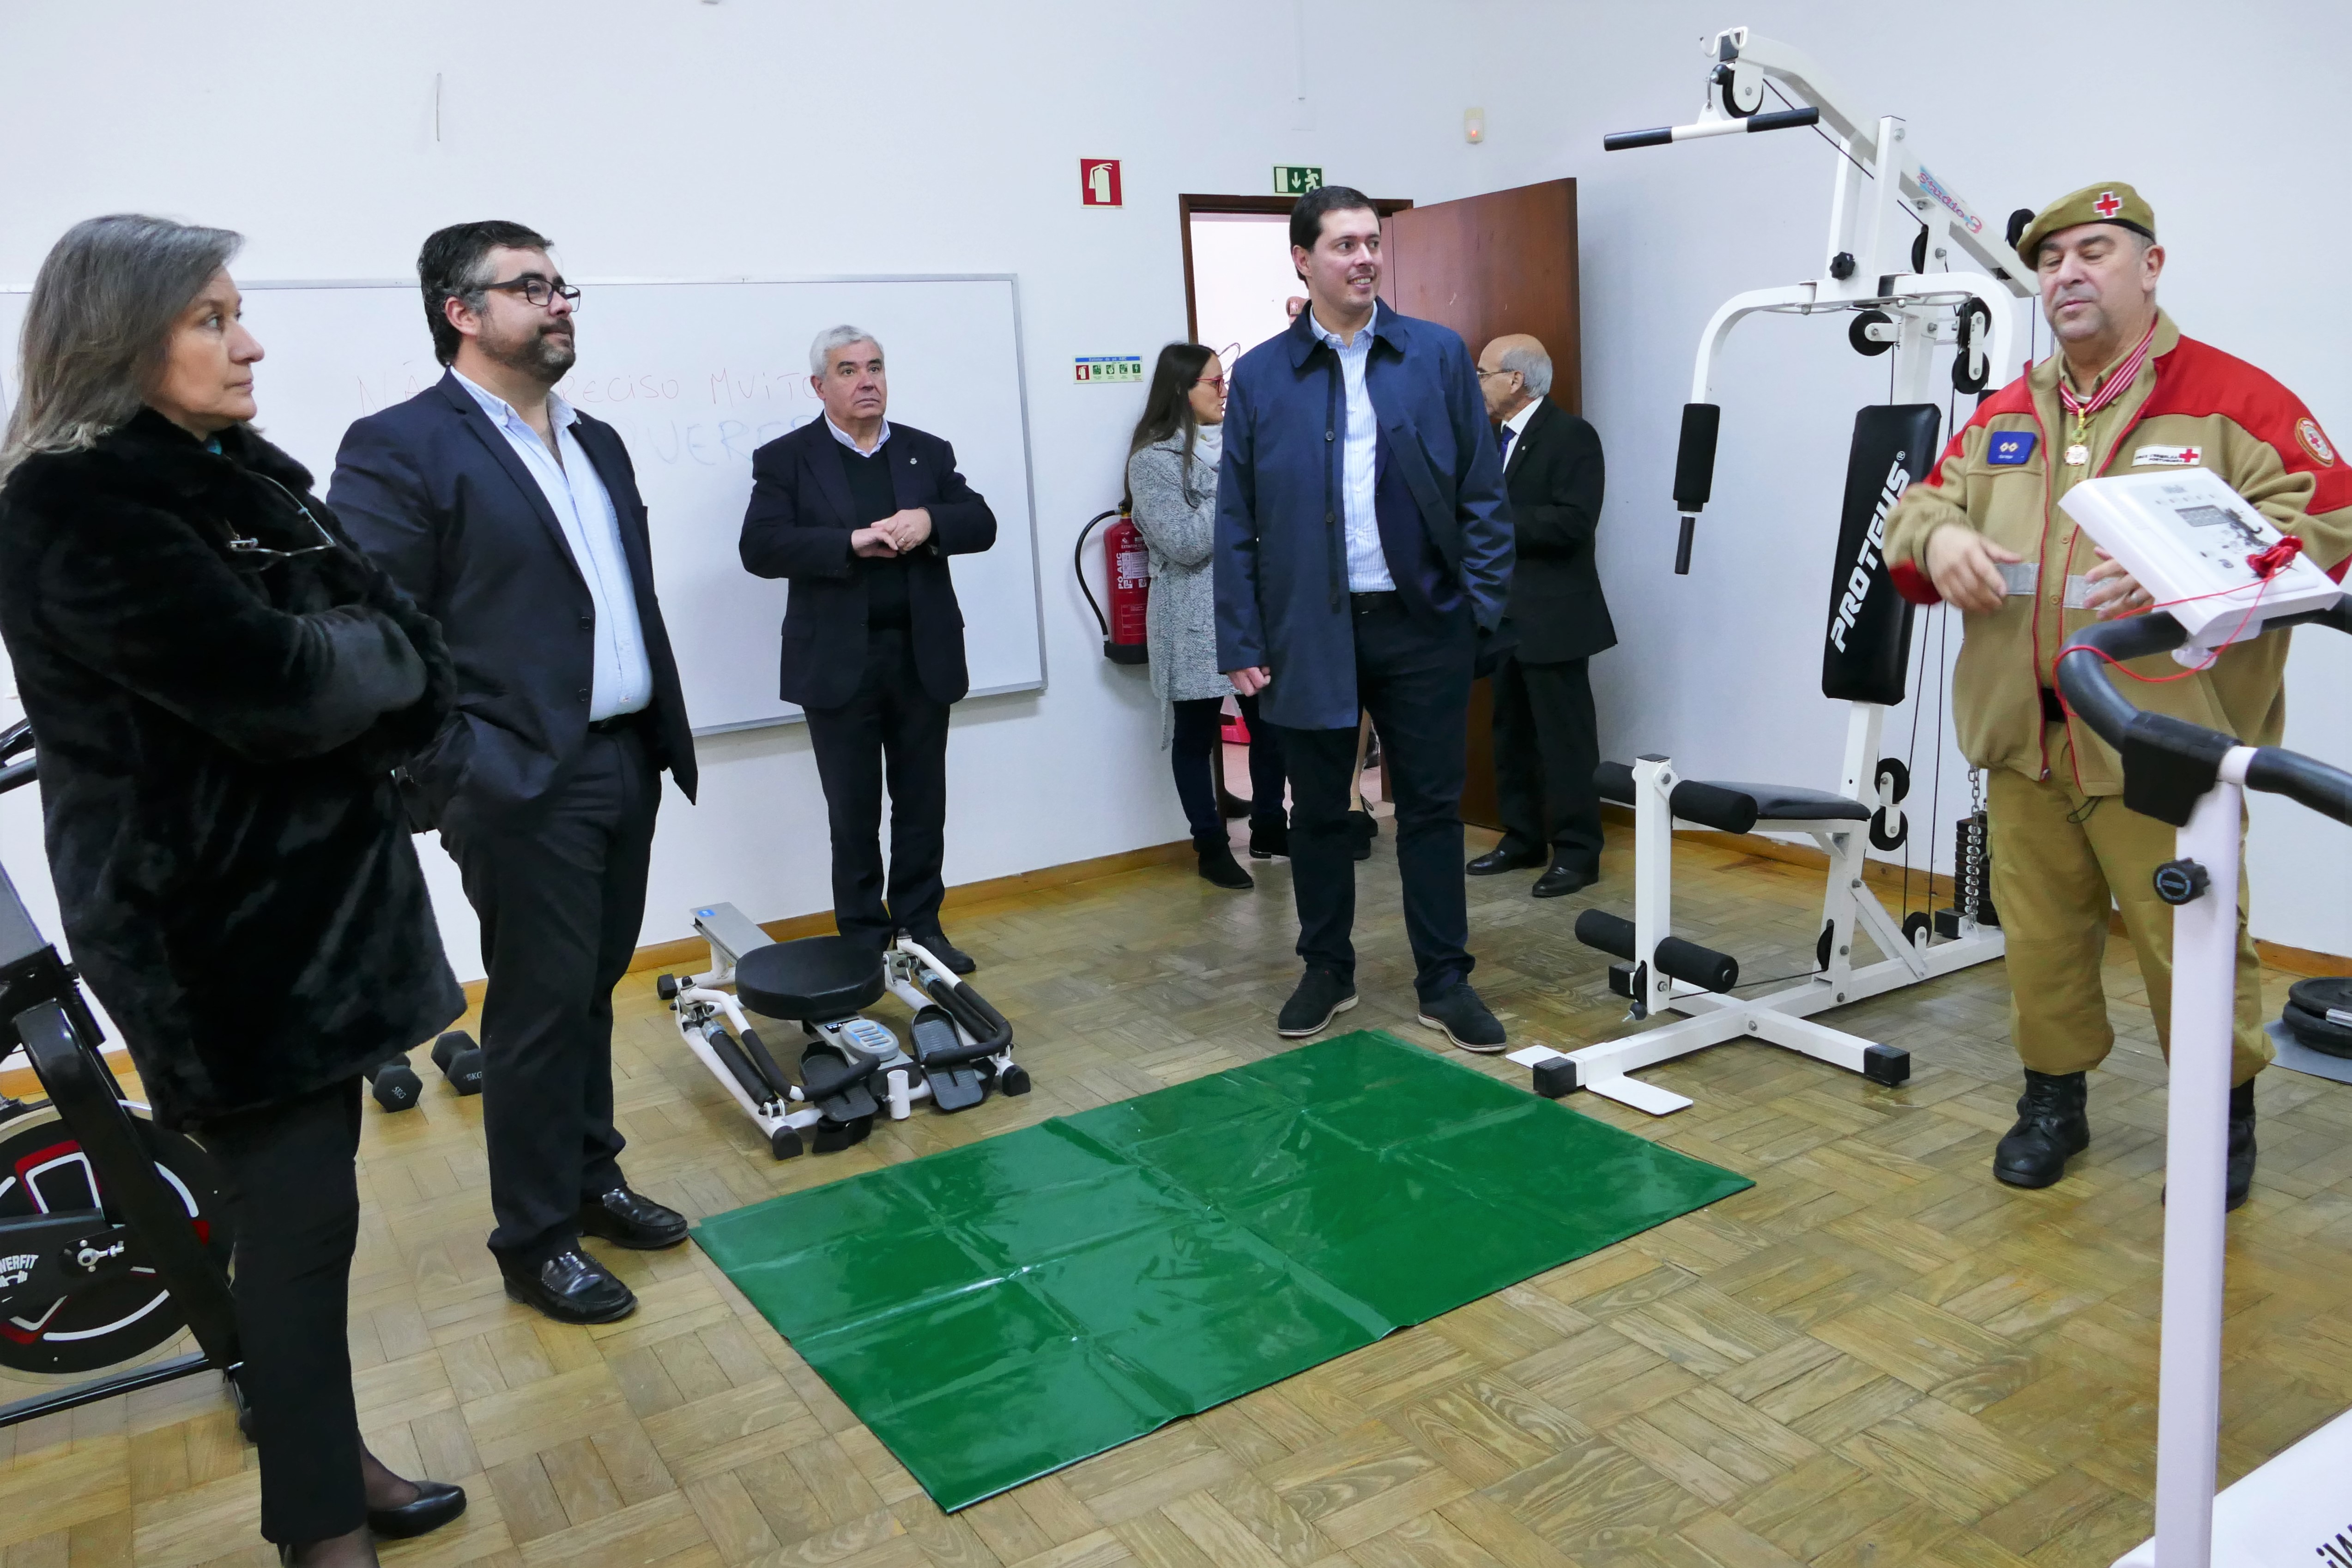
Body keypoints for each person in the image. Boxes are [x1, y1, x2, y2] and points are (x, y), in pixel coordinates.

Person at [0, 215, 466, 1565]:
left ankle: (332, 1468)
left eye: (237, 311)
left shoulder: (240, 474)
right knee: (295, 1228)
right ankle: (320, 1528)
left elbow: (409, 656)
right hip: (217, 940)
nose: (248, 342)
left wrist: (351, 656)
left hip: (314, 922)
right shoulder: (72, 506)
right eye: (210, 318)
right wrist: (351, 656)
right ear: (118, 337)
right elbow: (284, 692)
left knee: (309, 1225)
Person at [1884, 182, 2352, 1207]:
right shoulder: (2008, 411)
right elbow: (1913, 514)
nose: (2067, 275)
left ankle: (2221, 1115)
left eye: (2092, 251)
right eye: (2050, 261)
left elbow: (2326, 518)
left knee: (2190, 945)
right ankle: (2051, 1101)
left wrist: (2191, 570)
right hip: (2024, 738)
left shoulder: (2231, 398)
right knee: (2041, 939)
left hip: (2164, 742)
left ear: (2149, 266)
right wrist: (1941, 536)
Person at [331, 222, 700, 1325]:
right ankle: (534, 1241)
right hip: (519, 779)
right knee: (536, 1011)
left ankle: (591, 1182)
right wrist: (461, 767)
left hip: (624, 756)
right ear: (461, 311)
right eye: (529, 287)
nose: (557, 303)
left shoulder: (598, 441)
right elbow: (376, 631)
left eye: (561, 285)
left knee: (588, 992)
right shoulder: (400, 445)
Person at [1215, 186, 1515, 1051]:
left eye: (1371, 242)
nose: (1363, 259)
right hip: (1308, 629)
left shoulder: (1434, 355)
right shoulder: (1262, 375)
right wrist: (1241, 636)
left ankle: (1445, 980)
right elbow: (1235, 517)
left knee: (1430, 809)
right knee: (1317, 812)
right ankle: (1326, 970)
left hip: (1422, 623)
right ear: (1302, 260)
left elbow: (1481, 492)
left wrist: (1480, 607)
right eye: (1343, 245)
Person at [739, 327, 998, 973]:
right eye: (849, 370)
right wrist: (848, 543)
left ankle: (920, 930)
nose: (866, 381)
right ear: (819, 386)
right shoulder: (786, 459)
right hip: (837, 663)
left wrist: (930, 521)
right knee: (852, 812)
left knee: (921, 805)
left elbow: (981, 522)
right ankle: (861, 938)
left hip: (921, 655)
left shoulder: (925, 453)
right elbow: (760, 547)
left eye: (875, 367)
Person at [1125, 343, 1287, 888]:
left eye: (1224, 381)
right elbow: (1186, 544)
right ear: (1181, 390)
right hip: (1190, 617)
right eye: (1213, 383)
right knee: (1195, 736)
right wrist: (1233, 483)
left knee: (1270, 726)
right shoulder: (1152, 461)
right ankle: (1210, 846)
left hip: (1251, 610)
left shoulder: (1240, 445)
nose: (1224, 392)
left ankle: (1270, 826)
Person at [1465, 334, 1613, 898]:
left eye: (1483, 373)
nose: (1476, 383)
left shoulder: (1572, 436)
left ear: (1516, 379)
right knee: (1510, 735)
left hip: (1555, 619)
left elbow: (1573, 523)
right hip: (1500, 618)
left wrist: (1491, 520)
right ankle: (1521, 838)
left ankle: (1577, 852)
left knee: (1564, 742)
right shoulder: (1488, 439)